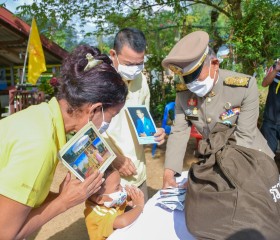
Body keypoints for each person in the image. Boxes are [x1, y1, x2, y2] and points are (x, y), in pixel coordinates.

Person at [0, 44, 128, 239]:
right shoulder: (40, 145)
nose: (109, 123)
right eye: (112, 115)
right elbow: (6, 234)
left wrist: (63, 195)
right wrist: (63, 202)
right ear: (94, 109)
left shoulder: (41, 116)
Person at [161, 30, 275, 189]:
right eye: (185, 77)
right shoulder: (184, 94)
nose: (190, 84)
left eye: (194, 75)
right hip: (217, 160)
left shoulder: (243, 87)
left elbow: (243, 139)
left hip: (253, 161)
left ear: (214, 64)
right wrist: (169, 172)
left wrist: (206, 176)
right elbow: (179, 131)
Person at [104, 28, 165, 201]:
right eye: (129, 64)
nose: (134, 69)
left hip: (137, 172)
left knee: (141, 222)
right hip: (109, 176)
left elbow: (142, 120)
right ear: (113, 54)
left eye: (139, 63)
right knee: (113, 226)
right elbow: (85, 132)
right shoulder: (98, 82)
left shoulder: (141, 80)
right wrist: (114, 159)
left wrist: (154, 133)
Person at [84, 165, 144, 240]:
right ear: (100, 199)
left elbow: (126, 201)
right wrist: (139, 206)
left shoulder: (110, 200)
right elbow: (123, 221)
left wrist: (132, 196)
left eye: (120, 184)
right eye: (117, 187)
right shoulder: (96, 216)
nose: (122, 188)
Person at [260, 59, 280, 154]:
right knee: (268, 155)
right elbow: (264, 83)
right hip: (270, 120)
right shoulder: (275, 66)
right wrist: (276, 70)